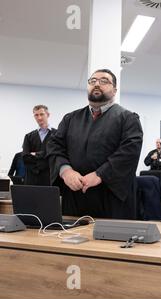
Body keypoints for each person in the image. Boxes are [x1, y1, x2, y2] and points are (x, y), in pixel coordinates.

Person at [47, 69, 143, 219]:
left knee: (109, 241)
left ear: (115, 90)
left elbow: (129, 152)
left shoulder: (128, 118)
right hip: (74, 194)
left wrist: (100, 174)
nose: (97, 84)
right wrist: (65, 171)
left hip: (111, 196)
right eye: (93, 81)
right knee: (69, 239)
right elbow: (54, 146)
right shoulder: (71, 118)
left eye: (104, 81)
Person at [22, 105, 57, 185]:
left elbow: (55, 155)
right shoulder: (28, 136)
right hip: (32, 178)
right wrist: (46, 155)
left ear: (48, 115)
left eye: (42, 114)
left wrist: (36, 154)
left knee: (48, 197)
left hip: (50, 177)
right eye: (36, 115)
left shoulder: (57, 135)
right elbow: (25, 157)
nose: (39, 118)